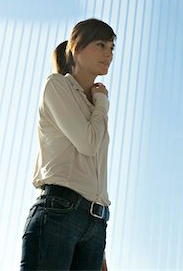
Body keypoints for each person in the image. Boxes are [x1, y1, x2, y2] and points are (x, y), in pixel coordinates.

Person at [20, 18, 116, 270]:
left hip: (95, 224)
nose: (109, 53)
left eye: (112, 47)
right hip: (58, 212)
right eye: (101, 44)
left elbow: (94, 174)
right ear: (76, 46)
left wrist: (100, 249)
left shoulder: (94, 106)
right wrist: (103, 103)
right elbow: (87, 143)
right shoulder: (57, 85)